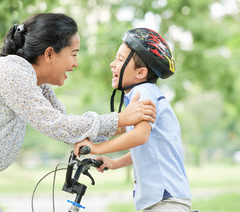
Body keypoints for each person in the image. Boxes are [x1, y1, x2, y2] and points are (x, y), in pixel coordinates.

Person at [0, 13, 157, 212]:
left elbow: (67, 126)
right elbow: (56, 124)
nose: (76, 64)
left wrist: (121, 126)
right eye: (73, 54)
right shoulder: (11, 72)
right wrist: (121, 119)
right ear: (50, 54)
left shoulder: (36, 83)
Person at [74, 28, 192, 212]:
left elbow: (140, 137)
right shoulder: (143, 95)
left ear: (140, 73)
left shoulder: (143, 92)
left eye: (120, 60)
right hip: (163, 199)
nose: (113, 64)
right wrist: (114, 163)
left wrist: (96, 148)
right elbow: (147, 149)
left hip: (165, 199)